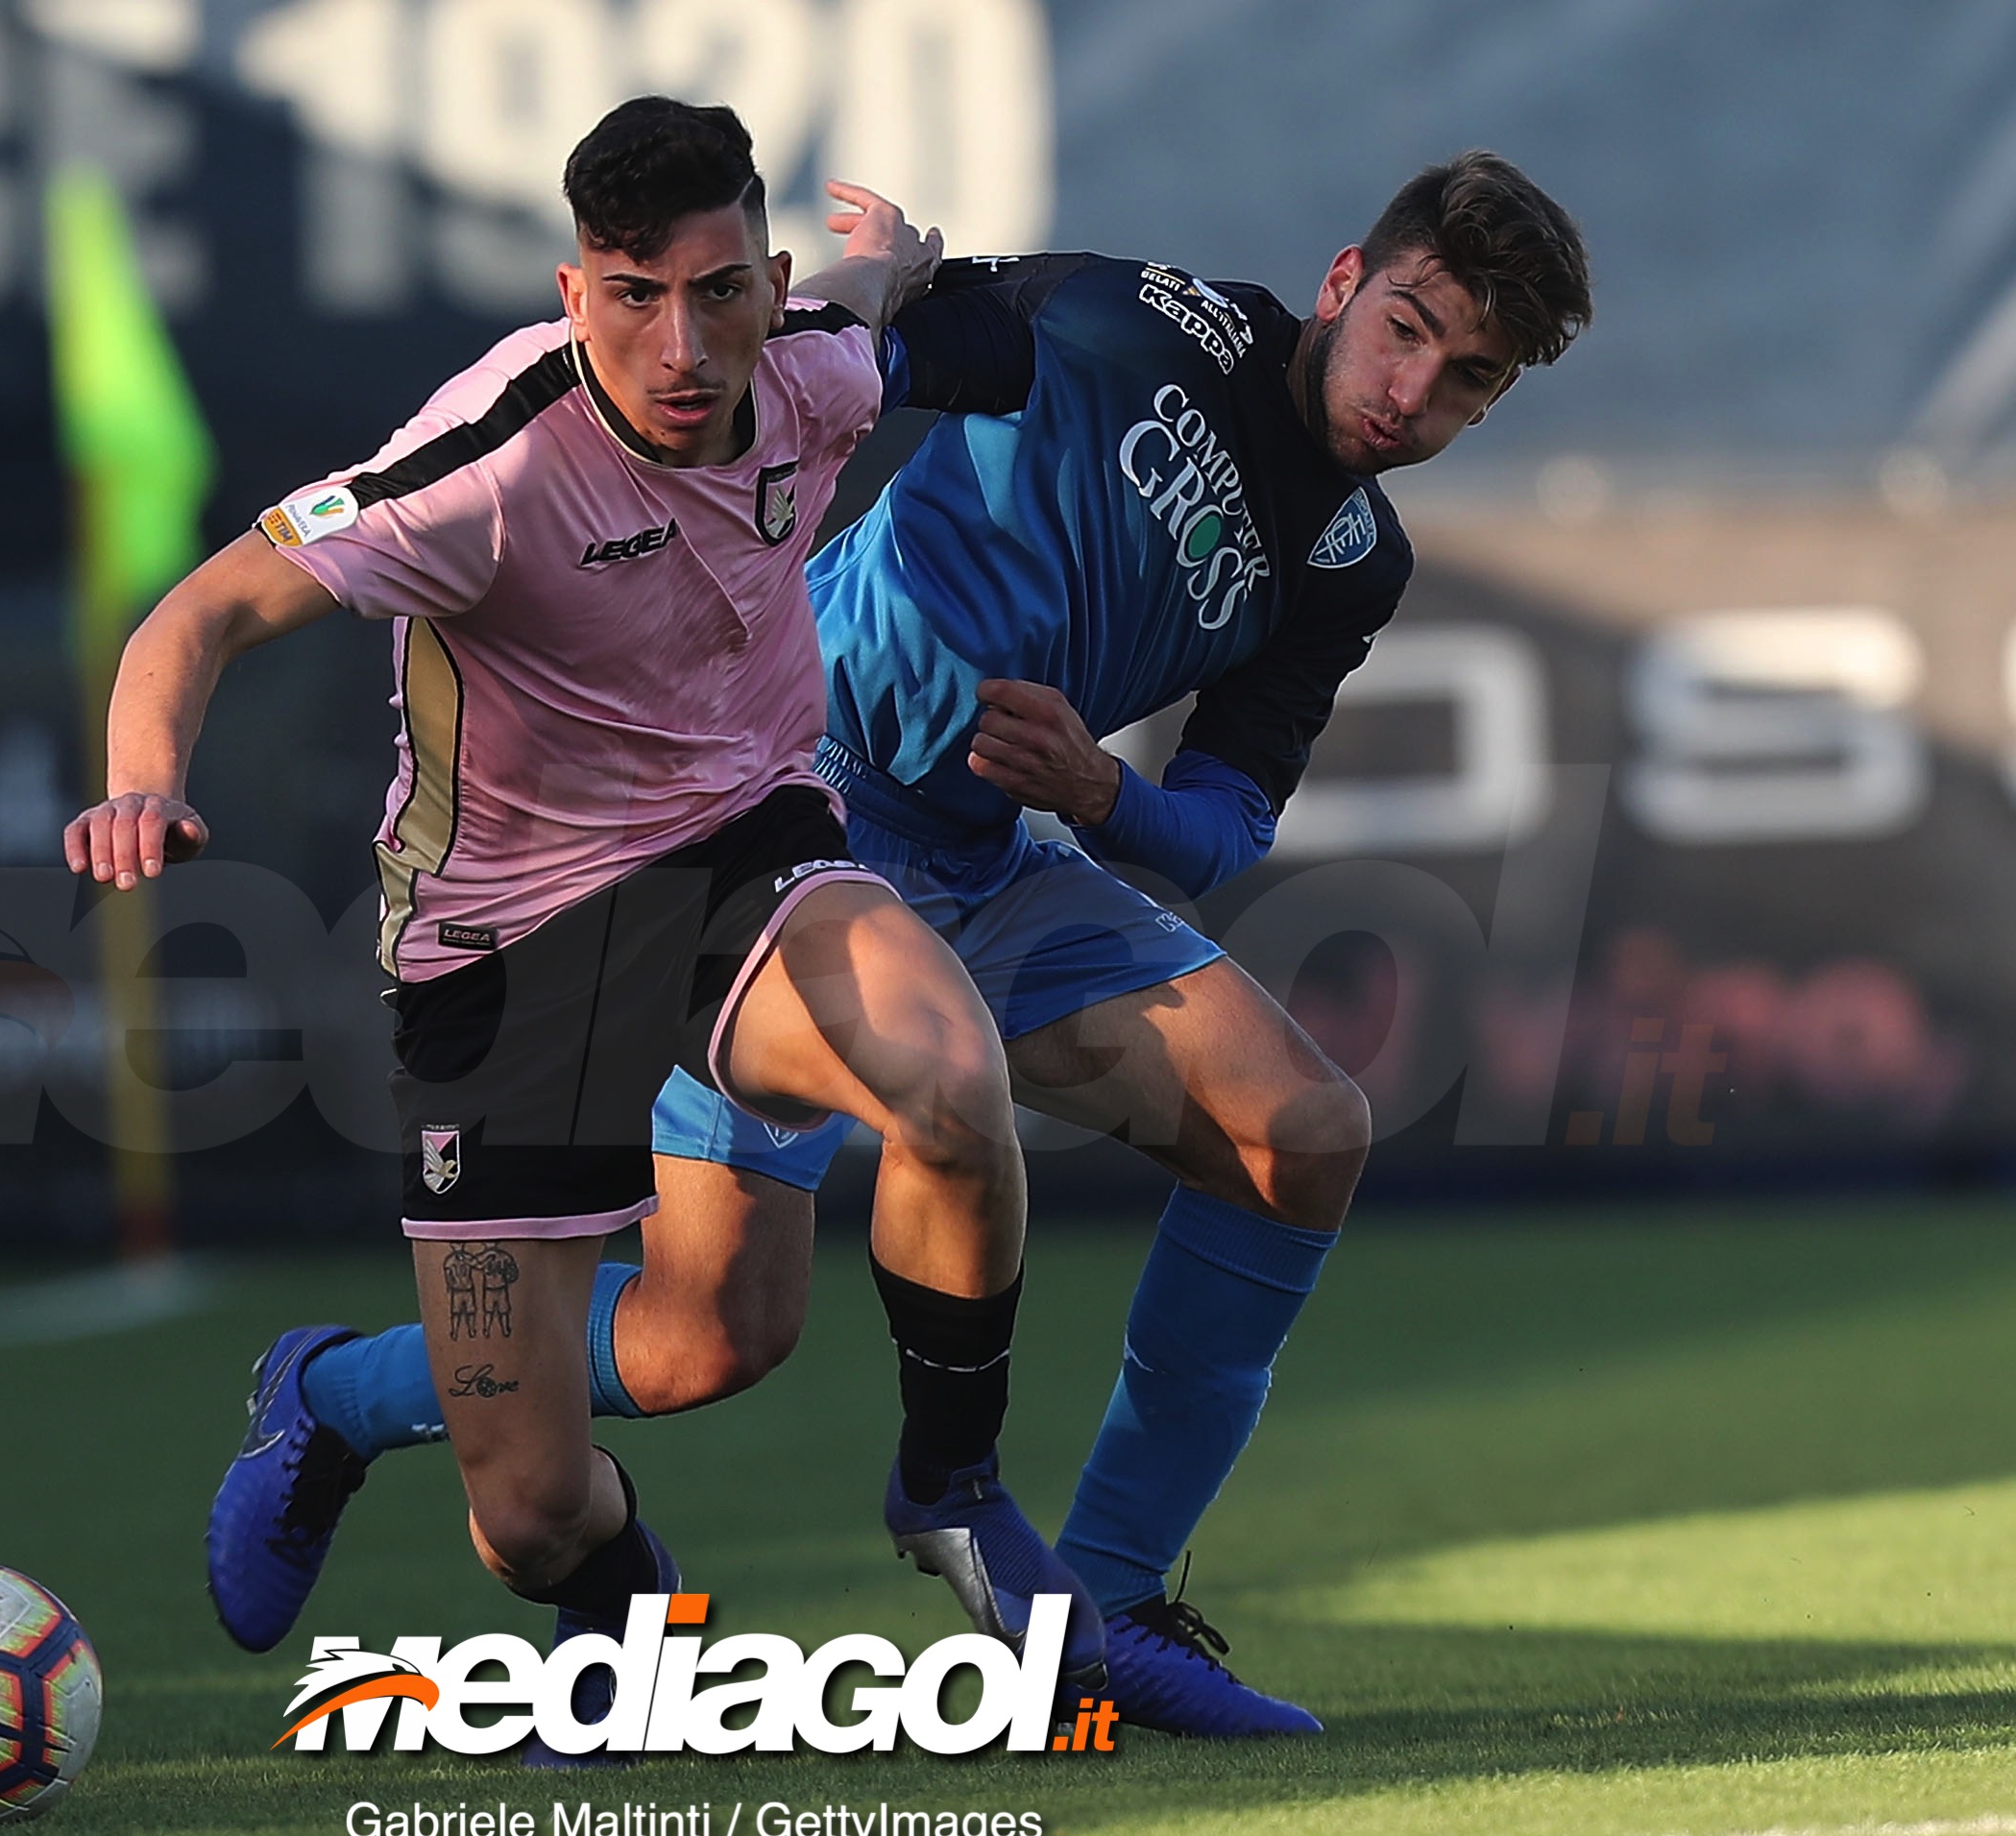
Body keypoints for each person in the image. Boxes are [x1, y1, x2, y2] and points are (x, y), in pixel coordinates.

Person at [218, 150, 1593, 1738]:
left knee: (1301, 1131)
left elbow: (1223, 818)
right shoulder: (1128, 322)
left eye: (1469, 380)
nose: (1412, 391)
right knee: (701, 1339)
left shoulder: (1355, 560)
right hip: (782, 826)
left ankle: (1109, 1601)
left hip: (994, 863)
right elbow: (852, 365)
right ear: (1347, 278)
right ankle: (328, 1393)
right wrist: (872, 290)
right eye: (1407, 329)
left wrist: (1105, 797)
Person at [69, 95, 1110, 1737]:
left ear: (769, 284)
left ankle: (955, 1491)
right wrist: (141, 780)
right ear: (574, 297)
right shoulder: (479, 470)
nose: (680, 343)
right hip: (505, 940)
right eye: (634, 296)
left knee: (949, 1079)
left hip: (741, 851)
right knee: (534, 1512)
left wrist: (900, 270)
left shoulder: (815, 373)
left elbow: (878, 317)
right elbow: (196, 615)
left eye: (715, 291)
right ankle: (345, 1409)